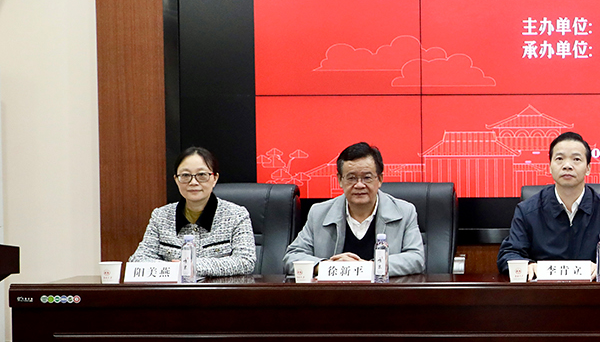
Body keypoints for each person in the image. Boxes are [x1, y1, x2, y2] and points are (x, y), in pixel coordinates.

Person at [497, 131, 600, 277]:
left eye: (576, 159)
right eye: (559, 159)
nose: (567, 166)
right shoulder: (527, 210)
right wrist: (527, 265)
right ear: (550, 166)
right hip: (544, 289)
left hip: (591, 288)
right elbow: (509, 254)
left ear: (588, 168)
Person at [283, 142, 425, 276]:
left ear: (380, 179)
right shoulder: (319, 213)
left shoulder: (404, 212)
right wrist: (328, 266)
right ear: (340, 180)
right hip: (334, 293)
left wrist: (368, 267)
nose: (359, 185)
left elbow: (416, 259)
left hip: (384, 292)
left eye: (367, 177)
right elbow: (292, 257)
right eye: (351, 178)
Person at [129, 146, 256, 277]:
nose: (193, 182)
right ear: (176, 180)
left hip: (220, 289)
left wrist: (190, 266)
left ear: (215, 178)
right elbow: (138, 259)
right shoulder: (160, 216)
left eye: (202, 175)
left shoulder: (236, 215)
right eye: (185, 175)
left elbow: (245, 261)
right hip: (174, 290)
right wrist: (173, 268)